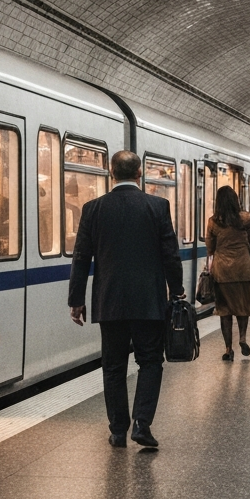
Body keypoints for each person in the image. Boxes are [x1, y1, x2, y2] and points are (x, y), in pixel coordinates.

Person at [69, 151, 185, 448]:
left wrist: (76, 299)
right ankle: (141, 425)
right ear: (140, 174)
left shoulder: (92, 208)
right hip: (149, 301)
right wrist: (179, 290)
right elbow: (170, 255)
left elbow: (81, 258)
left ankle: (118, 430)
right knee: (150, 362)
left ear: (111, 173)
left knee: (113, 366)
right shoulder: (157, 206)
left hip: (110, 301)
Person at [206, 185, 250, 360]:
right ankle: (243, 337)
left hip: (222, 272)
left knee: (224, 311)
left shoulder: (213, 222)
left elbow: (210, 247)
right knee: (242, 307)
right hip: (243, 269)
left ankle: (228, 349)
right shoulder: (245, 218)